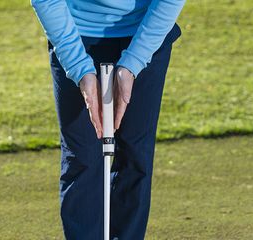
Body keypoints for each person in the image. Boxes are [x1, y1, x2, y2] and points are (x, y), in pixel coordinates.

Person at [31, 0, 186, 239]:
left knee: (135, 155)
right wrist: (79, 67)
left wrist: (134, 62)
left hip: (144, 33)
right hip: (76, 34)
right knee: (82, 156)